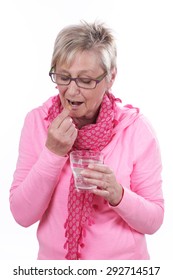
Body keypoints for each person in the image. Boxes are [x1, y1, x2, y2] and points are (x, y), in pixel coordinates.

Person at [10, 21, 164, 260]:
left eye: (85, 80)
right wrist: (52, 153)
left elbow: (154, 221)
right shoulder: (37, 122)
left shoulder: (135, 129)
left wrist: (118, 194)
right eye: (63, 77)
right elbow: (22, 215)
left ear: (110, 77)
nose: (71, 92)